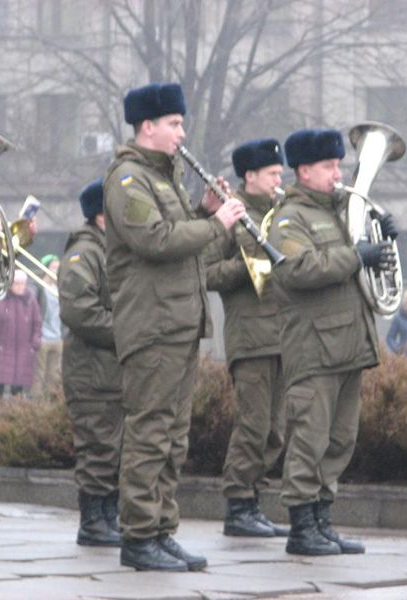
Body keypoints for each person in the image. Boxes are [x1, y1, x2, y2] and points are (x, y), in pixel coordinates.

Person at [104, 82, 245, 571]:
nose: (182, 133)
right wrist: (217, 222)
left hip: (179, 323)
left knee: (172, 436)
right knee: (149, 433)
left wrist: (206, 212)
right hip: (152, 326)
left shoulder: (164, 180)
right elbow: (157, 241)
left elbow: (194, 254)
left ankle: (162, 530)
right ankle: (139, 536)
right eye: (175, 124)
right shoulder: (127, 180)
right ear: (149, 126)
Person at [266, 128, 394, 556]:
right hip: (314, 349)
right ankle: (302, 529)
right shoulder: (289, 219)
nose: (338, 174)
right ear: (303, 170)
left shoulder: (345, 212)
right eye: (329, 166)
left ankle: (322, 520)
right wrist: (357, 256)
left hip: (349, 345)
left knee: (340, 441)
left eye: (339, 164)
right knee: (309, 439)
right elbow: (296, 269)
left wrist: (381, 232)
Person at [203, 138, 288, 538]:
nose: (279, 180)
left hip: (284, 334)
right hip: (250, 336)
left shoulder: (282, 214)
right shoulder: (231, 215)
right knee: (253, 425)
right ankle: (238, 505)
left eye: (280, 173)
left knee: (276, 429)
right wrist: (247, 264)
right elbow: (206, 272)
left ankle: (254, 499)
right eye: (272, 174)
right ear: (250, 176)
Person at [58, 178, 123, 547]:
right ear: (101, 215)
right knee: (98, 447)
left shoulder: (109, 251)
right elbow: (79, 311)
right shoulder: (85, 253)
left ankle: (108, 516)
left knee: (114, 448)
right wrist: (127, 332)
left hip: (110, 370)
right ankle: (93, 522)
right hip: (92, 373)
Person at [0, 269, 42, 398]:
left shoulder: (30, 301)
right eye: (16, 283)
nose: (20, 286)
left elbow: (37, 324)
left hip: (23, 353)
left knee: (18, 391)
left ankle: (15, 415)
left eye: (22, 283)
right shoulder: (0, 301)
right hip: (1, 353)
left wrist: (34, 344)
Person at [31, 254, 62, 399]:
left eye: (58, 267)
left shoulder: (60, 288)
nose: (56, 271)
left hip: (58, 337)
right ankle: (37, 406)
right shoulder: (39, 288)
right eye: (53, 267)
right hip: (43, 338)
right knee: (39, 374)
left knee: (54, 375)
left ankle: (50, 408)